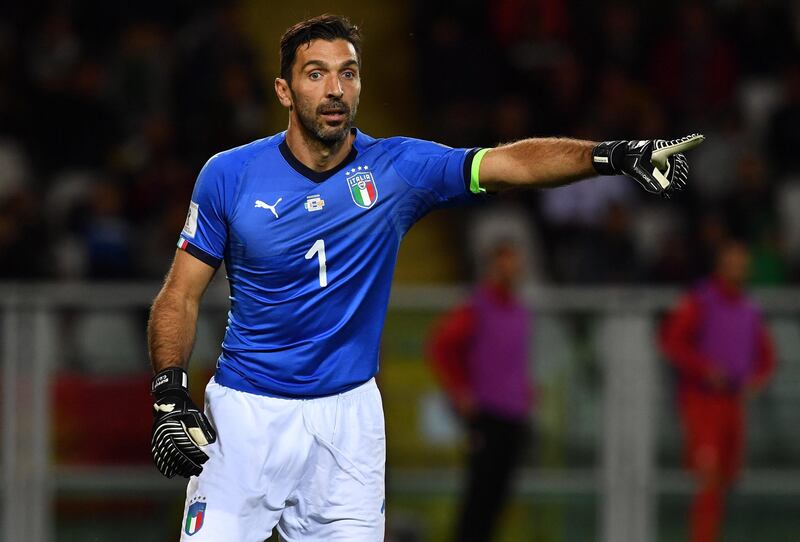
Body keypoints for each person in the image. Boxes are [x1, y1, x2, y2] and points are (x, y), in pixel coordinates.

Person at [146, 14, 704, 542]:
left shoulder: (399, 169)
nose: (335, 89)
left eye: (348, 73)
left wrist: (613, 154)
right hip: (248, 414)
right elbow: (180, 295)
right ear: (285, 91)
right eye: (316, 74)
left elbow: (511, 165)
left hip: (349, 423)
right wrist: (169, 395)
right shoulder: (229, 174)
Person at [659, 240, 775, 542]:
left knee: (726, 480)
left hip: (733, 404)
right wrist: (705, 369)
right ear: (720, 265)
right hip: (702, 402)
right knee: (708, 479)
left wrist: (758, 378)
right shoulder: (701, 300)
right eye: (732, 261)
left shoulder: (749, 307)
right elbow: (672, 341)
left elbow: (766, 356)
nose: (738, 268)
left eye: (742, 262)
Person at [426, 241, 533, 542]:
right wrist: (460, 391)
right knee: (479, 497)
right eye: (504, 264)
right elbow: (441, 346)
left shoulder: (519, 311)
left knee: (498, 498)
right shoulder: (477, 307)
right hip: (487, 415)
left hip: (513, 416)